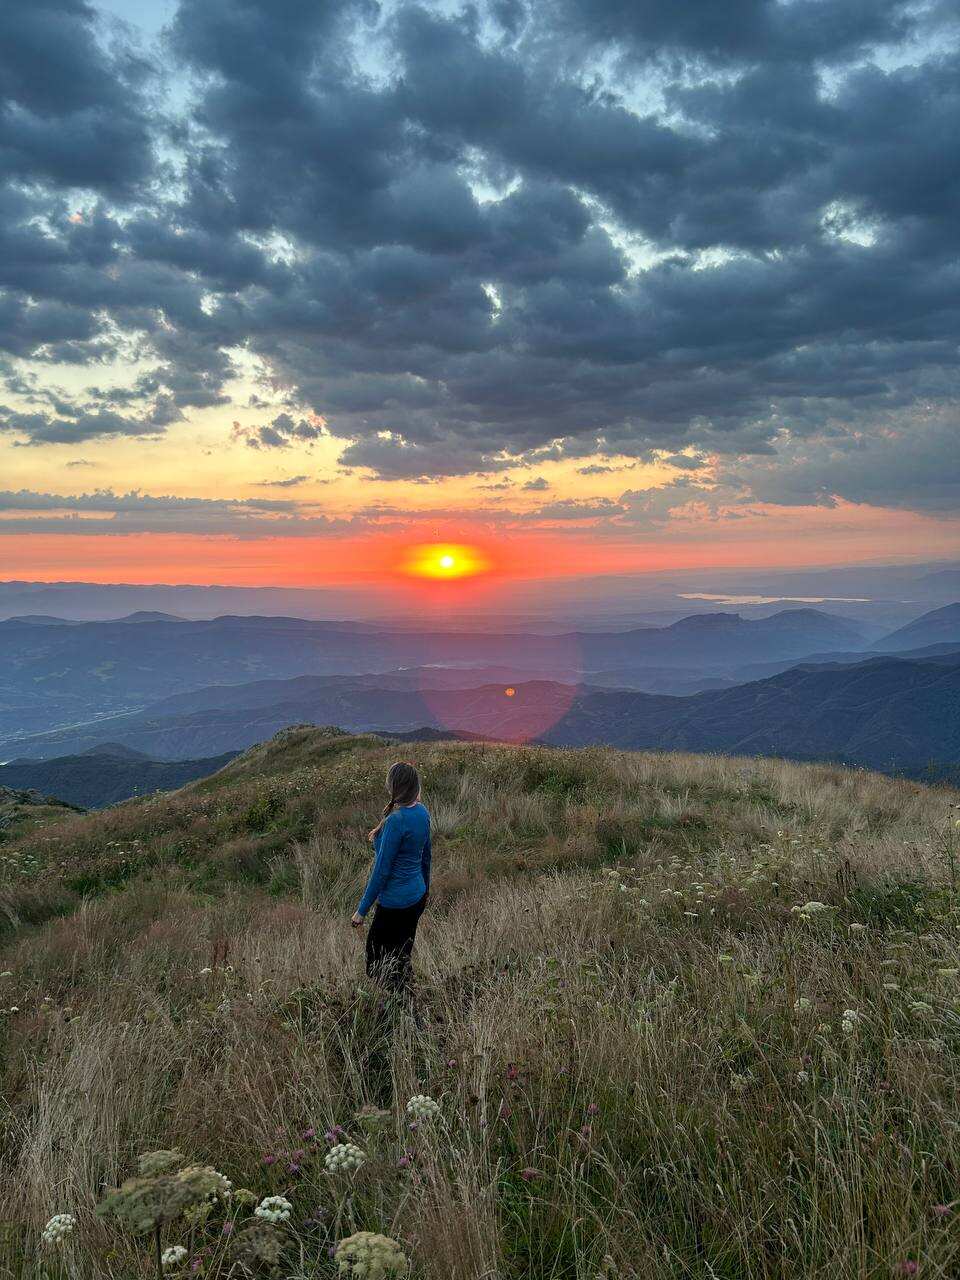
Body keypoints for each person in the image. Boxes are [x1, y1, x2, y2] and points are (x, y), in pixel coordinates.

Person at [352, 762, 431, 993]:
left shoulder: (396, 822)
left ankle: (400, 1004)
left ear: (393, 789)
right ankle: (407, 997)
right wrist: (425, 891)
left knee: (376, 963)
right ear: (415, 787)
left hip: (394, 905)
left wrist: (361, 910)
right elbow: (427, 857)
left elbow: (381, 872)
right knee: (402, 954)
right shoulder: (422, 812)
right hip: (416, 898)